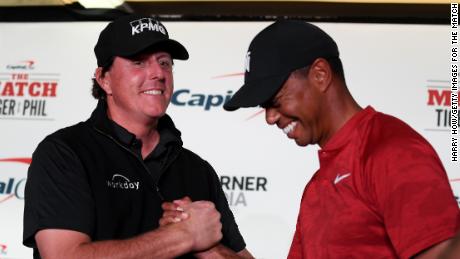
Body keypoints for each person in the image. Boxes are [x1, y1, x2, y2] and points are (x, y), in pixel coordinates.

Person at [223, 20, 460, 259]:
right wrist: (211, 250)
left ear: (320, 74)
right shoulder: (317, 186)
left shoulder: (392, 151)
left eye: (274, 100)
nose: (270, 117)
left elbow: (444, 254)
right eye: (264, 107)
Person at [23, 14, 253, 259]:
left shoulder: (197, 169)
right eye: (138, 62)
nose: (158, 73)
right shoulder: (65, 152)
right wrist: (183, 236)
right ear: (104, 79)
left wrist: (209, 247)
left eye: (164, 62)